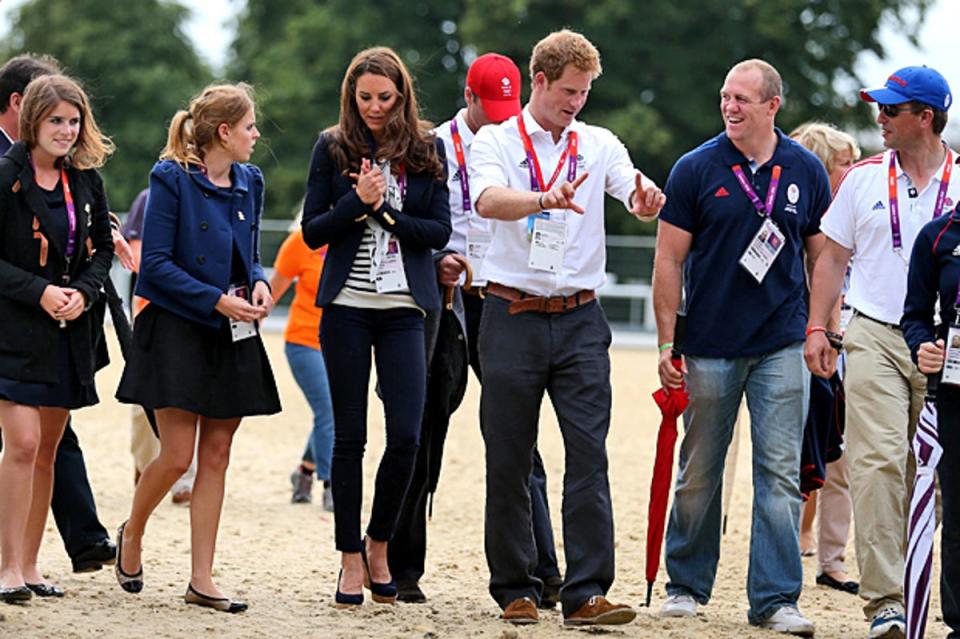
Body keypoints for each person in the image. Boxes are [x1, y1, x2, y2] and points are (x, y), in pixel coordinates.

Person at [470, 29, 663, 627]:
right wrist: (542, 199)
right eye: (568, 92)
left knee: (589, 454)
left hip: (581, 317)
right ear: (540, 81)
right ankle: (515, 588)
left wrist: (644, 197)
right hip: (510, 314)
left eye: (584, 93)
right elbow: (486, 200)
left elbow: (629, 185)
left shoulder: (598, 142)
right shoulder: (496, 141)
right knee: (509, 455)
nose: (575, 102)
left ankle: (585, 593)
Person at [654, 59, 831, 636]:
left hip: (781, 342)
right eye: (726, 97)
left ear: (772, 105)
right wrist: (665, 340)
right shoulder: (695, 168)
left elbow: (822, 256)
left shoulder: (805, 169)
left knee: (779, 474)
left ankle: (776, 599)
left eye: (743, 100)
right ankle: (685, 584)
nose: (730, 107)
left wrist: (817, 326)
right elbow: (668, 259)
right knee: (700, 470)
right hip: (708, 343)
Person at [388, 52, 563, 607]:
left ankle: (545, 570)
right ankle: (401, 563)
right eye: (491, 107)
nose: (501, 117)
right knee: (423, 430)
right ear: (468, 98)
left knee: (520, 439)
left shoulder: (521, 145)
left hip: (504, 299)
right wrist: (439, 254)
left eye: (509, 108)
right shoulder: (431, 148)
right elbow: (418, 218)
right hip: (447, 301)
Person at [805, 65, 959, 639]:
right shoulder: (864, 179)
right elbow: (831, 259)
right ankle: (886, 602)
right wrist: (818, 329)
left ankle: (924, 581)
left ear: (926, 117)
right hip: (873, 333)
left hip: (949, 347)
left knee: (937, 476)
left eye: (892, 110)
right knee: (877, 465)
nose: (880, 119)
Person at [115, 82, 281, 613]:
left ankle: (201, 578)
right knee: (176, 455)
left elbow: (249, 254)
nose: (257, 135)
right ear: (225, 132)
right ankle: (132, 533)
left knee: (218, 453)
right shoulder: (170, 178)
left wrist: (257, 283)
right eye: (251, 126)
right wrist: (216, 301)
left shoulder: (251, 181)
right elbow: (156, 264)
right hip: (179, 328)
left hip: (231, 331)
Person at [301, 46, 451, 607]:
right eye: (365, 97)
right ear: (351, 94)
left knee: (408, 435)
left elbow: (437, 230)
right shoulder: (331, 145)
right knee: (350, 437)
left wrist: (383, 210)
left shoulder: (426, 148)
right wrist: (356, 206)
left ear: (403, 96)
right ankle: (347, 559)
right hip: (345, 306)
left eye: (385, 98)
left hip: (405, 309)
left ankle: (379, 542)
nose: (374, 107)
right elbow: (313, 231)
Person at [0, 53, 118, 575]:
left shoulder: (87, 181)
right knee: (22, 445)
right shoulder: (5, 176)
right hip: (13, 330)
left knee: (47, 450)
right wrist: (40, 292)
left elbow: (102, 251)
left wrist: (86, 294)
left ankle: (28, 568)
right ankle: (5, 568)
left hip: (69, 333)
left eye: (73, 121)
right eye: (56, 121)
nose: (66, 131)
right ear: (32, 121)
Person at [789, 122, 860, 594]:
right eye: (844, 164)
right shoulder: (795, 217)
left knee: (841, 459)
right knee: (794, 453)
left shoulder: (863, 212)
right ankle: (789, 544)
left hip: (851, 338)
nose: (853, 172)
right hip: (797, 339)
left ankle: (832, 558)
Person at [901, 202, 960, 639]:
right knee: (957, 509)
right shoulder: (937, 236)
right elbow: (915, 316)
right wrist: (923, 346)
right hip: (955, 389)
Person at [121, 187, 196, 504]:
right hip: (151, 309)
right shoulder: (148, 198)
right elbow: (135, 258)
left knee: (195, 395)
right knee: (145, 400)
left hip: (197, 310)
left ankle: (184, 480)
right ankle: (146, 463)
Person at [269, 216, 334, 510]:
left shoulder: (358, 239)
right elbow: (269, 295)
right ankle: (332, 484)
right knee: (329, 409)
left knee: (329, 413)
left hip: (343, 345)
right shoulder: (300, 241)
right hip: (304, 340)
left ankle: (304, 472)